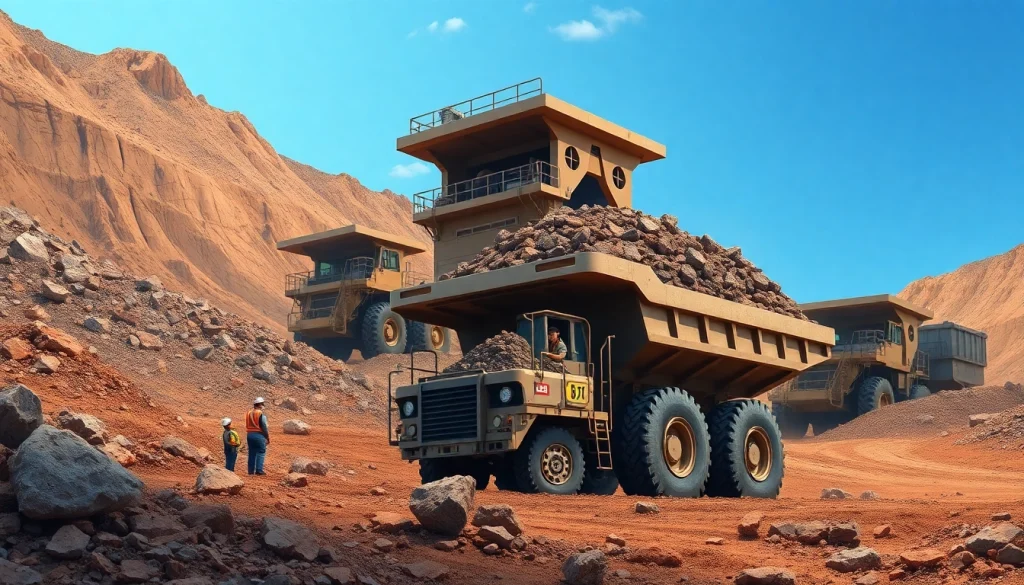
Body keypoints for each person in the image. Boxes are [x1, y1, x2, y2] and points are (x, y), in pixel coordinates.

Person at [245, 397, 270, 476]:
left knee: (251, 453)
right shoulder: (260, 413)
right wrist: (267, 437)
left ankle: (250, 471)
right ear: (259, 404)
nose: (263, 405)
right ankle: (259, 470)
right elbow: (263, 426)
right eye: (262, 404)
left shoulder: (248, 413)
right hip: (258, 435)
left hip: (249, 434)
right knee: (261, 452)